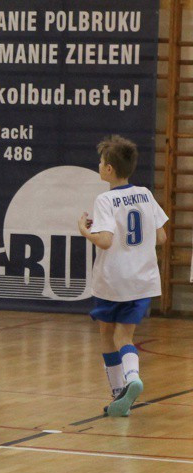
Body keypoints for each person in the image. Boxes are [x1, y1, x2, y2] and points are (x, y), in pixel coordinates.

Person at [78, 135, 168, 417]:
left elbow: (104, 241)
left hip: (114, 280)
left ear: (108, 170)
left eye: (101, 162)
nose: (100, 165)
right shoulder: (145, 194)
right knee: (124, 335)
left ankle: (122, 386)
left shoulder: (105, 199)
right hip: (143, 280)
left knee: (107, 333)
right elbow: (161, 237)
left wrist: (84, 230)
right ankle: (128, 386)